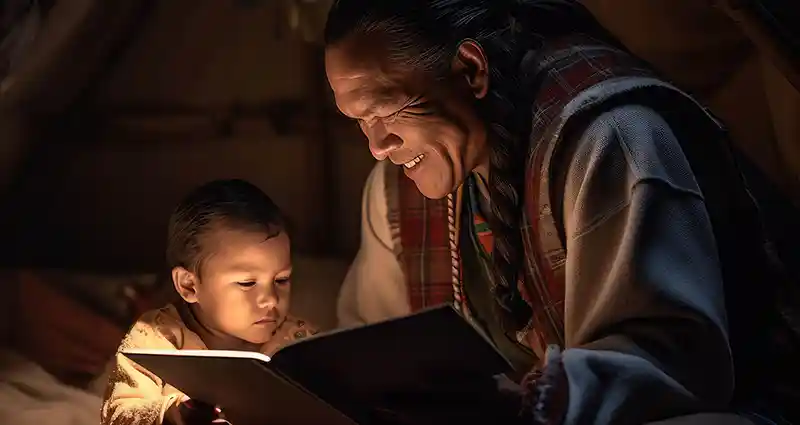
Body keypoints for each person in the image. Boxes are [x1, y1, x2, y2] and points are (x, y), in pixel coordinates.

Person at [325, 0, 798, 424]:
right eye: (361, 123)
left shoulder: (610, 136)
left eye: (385, 110)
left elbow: (676, 365)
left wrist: (532, 398)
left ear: (471, 70)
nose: (377, 147)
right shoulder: (399, 185)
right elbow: (370, 342)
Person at [101, 179, 316, 425]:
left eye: (281, 280)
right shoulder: (156, 339)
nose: (270, 299)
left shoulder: (300, 343)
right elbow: (118, 415)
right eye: (247, 283)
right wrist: (175, 414)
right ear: (189, 286)